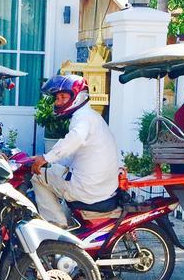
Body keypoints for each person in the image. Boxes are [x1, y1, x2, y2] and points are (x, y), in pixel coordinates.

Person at [28, 75, 121, 227]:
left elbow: (74, 139)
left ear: (79, 96)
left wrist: (46, 158)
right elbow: (72, 154)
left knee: (36, 176)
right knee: (55, 173)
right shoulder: (92, 117)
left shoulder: (82, 118)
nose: (58, 102)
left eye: (63, 97)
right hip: (102, 187)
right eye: (57, 98)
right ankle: (66, 220)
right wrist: (46, 159)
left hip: (88, 190)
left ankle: (56, 225)